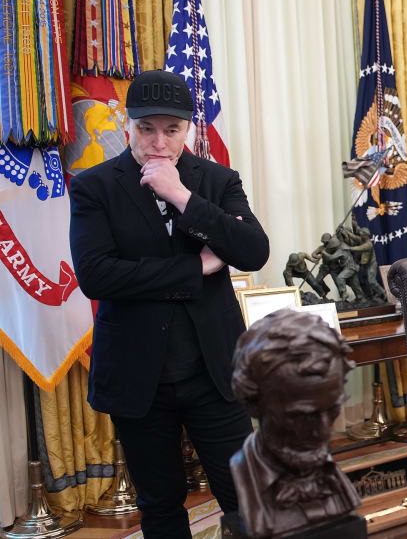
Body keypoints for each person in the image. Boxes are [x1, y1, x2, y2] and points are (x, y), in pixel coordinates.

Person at [68, 70, 269, 538]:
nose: (158, 141)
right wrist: (194, 270)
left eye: (171, 129)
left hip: (214, 373)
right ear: (127, 127)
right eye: (146, 128)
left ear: (188, 132)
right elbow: (96, 275)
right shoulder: (94, 186)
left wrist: (181, 195)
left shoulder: (217, 181)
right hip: (140, 378)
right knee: (160, 506)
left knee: (247, 497)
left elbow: (253, 250)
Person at [230, 309, 360, 537]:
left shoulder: (330, 473)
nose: (322, 433)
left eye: (332, 410)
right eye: (301, 417)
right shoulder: (242, 469)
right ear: (254, 405)